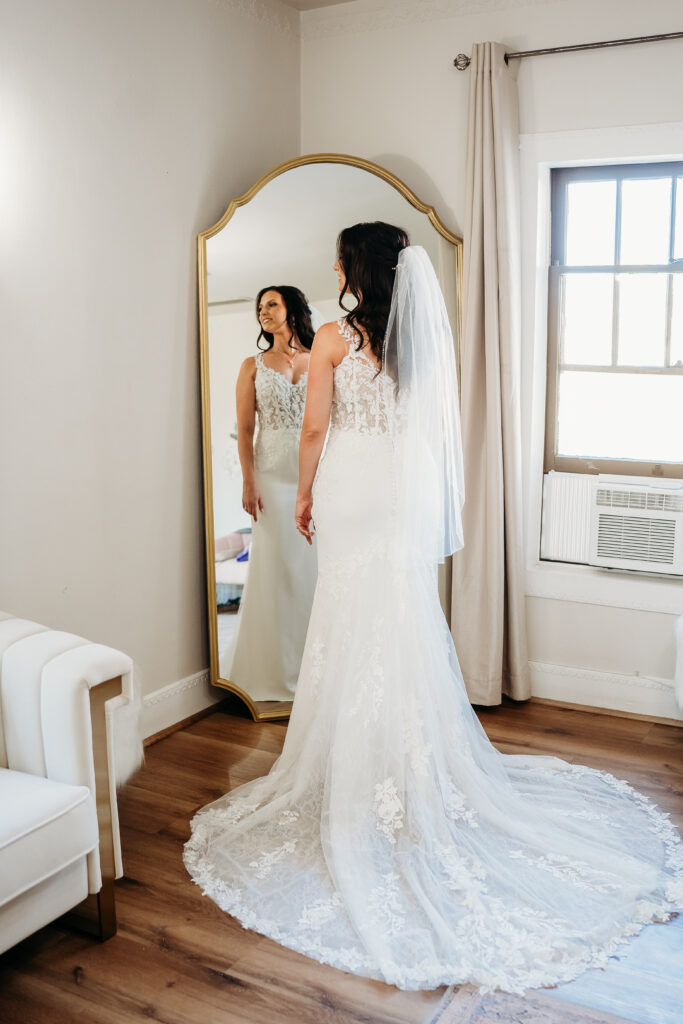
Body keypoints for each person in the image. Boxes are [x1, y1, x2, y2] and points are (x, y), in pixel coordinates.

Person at [187, 224, 683, 993]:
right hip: (399, 489)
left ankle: (351, 769)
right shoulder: (416, 341)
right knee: (400, 615)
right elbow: (422, 426)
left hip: (351, 485)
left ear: (355, 269)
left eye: (337, 257)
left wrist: (308, 491)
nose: (330, 265)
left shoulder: (334, 343)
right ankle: (409, 763)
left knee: (349, 616)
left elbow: (316, 427)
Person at [220, 286, 318, 701]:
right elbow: (244, 431)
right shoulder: (252, 366)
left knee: (311, 571)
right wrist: (248, 480)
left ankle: (313, 670)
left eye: (271, 304)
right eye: (259, 307)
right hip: (270, 477)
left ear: (291, 308)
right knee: (274, 570)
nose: (263, 312)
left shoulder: (321, 360)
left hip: (315, 477)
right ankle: (271, 670)